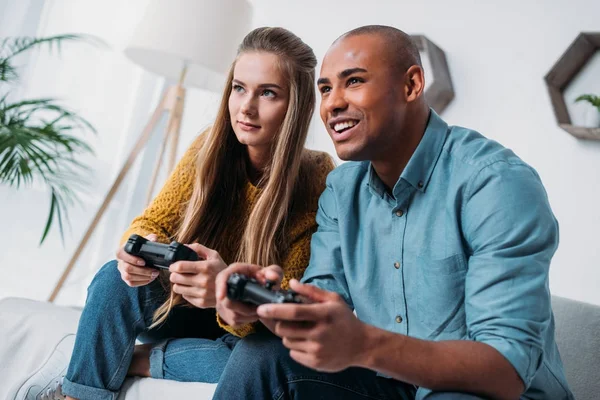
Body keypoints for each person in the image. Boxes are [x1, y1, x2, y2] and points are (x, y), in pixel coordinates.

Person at [213, 25, 574, 400]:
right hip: (394, 383)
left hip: (493, 393)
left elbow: (506, 370)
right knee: (261, 356)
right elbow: (320, 303)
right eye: (325, 89)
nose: (332, 103)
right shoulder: (341, 190)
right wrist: (262, 301)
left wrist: (364, 344)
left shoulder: (495, 183)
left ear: (412, 85)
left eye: (353, 81)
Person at [11, 27, 334, 400]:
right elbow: (153, 223)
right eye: (239, 88)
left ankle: (138, 360)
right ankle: (76, 396)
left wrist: (224, 291)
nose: (246, 107)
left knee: (258, 360)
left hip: (244, 331)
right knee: (112, 280)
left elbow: (281, 313)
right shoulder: (209, 147)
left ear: (296, 106)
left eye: (268, 93)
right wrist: (139, 250)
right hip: (182, 309)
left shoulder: (317, 179)